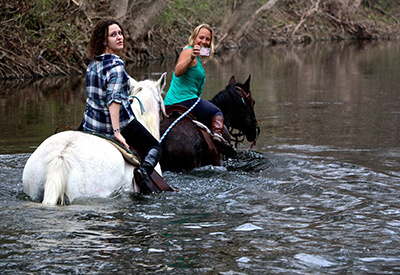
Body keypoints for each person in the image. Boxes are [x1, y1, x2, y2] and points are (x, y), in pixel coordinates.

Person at [81, 19, 162, 194]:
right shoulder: (116, 66)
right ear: (104, 41)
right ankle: (143, 173)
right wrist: (117, 131)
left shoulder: (93, 64)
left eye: (120, 33)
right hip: (114, 124)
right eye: (113, 35)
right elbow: (114, 100)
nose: (119, 37)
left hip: (90, 123)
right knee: (155, 147)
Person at [163, 24, 235, 157]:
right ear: (194, 38)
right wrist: (191, 57)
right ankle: (218, 138)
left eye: (208, 39)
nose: (204, 42)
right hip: (185, 101)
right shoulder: (189, 52)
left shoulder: (198, 59)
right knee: (217, 111)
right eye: (201, 38)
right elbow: (178, 72)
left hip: (172, 102)